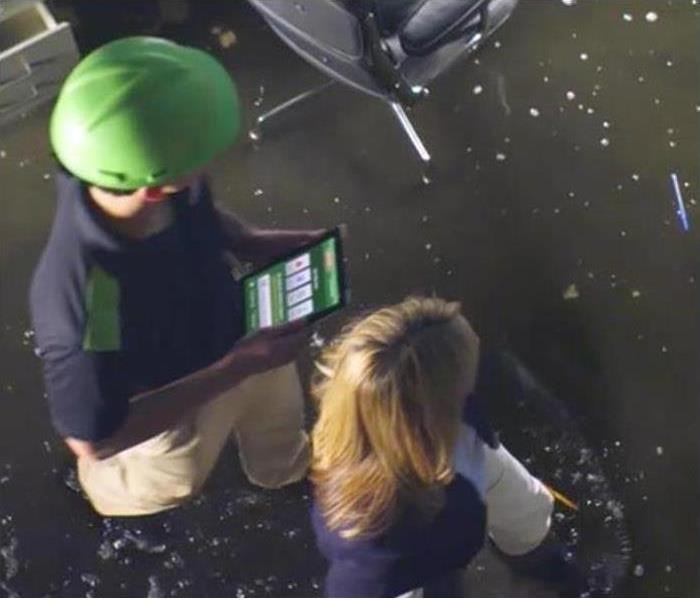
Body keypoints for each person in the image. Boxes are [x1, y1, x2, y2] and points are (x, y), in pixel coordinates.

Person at [30, 36, 321, 517]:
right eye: (204, 155)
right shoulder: (93, 297)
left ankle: (282, 474)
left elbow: (201, 209)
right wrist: (234, 369)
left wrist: (253, 241)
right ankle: (106, 497)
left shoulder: (120, 168)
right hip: (173, 409)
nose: (212, 161)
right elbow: (93, 440)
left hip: (245, 336)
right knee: (162, 482)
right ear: (154, 187)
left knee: (281, 437)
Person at [310, 296, 578, 597]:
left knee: (523, 514)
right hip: (413, 576)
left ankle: (542, 567)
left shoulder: (350, 437)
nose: (475, 340)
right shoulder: (378, 533)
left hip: (445, 495)